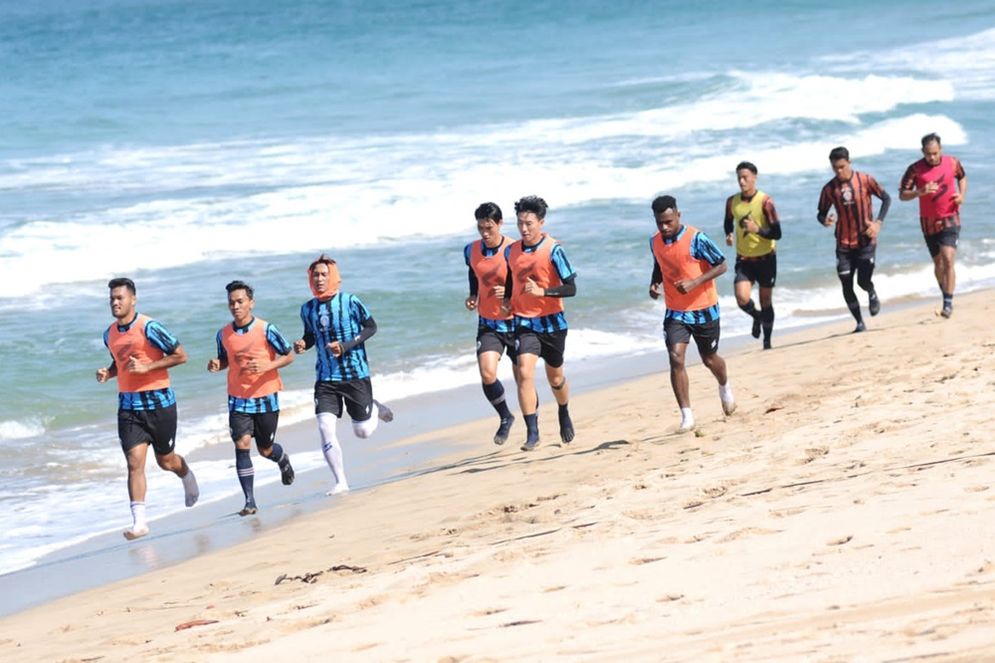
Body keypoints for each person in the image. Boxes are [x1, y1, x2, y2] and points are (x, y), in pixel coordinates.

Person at [96, 277, 199, 540]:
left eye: (120, 298)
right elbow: (119, 362)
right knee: (134, 463)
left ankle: (185, 474)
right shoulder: (109, 334)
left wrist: (147, 367)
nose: (115, 303)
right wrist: (108, 373)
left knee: (166, 461)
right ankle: (139, 523)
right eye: (112, 299)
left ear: (133, 299)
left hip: (160, 405)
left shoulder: (149, 327)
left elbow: (181, 355)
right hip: (129, 408)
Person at [293, 254, 393, 495]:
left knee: (363, 432)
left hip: (355, 374)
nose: (319, 279)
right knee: (325, 426)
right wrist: (302, 345)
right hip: (326, 379)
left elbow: (372, 327)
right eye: (315, 275)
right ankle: (340, 481)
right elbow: (311, 336)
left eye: (324, 274)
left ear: (334, 277)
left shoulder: (350, 301)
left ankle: (374, 407)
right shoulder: (307, 309)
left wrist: (346, 346)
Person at [208, 280, 296, 516]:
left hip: (266, 397)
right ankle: (249, 501)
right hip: (238, 398)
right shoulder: (223, 334)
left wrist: (269, 364)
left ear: (251, 303)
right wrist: (218, 364)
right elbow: (224, 358)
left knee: (265, 449)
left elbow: (289, 355)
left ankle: (282, 459)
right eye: (231, 303)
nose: (235, 306)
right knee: (242, 444)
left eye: (240, 301)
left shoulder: (266, 329)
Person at [649, 196, 735, 433]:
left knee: (709, 358)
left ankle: (724, 385)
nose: (664, 227)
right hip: (676, 311)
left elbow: (722, 264)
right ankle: (687, 416)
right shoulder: (654, 241)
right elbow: (659, 263)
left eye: (668, 221)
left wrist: (695, 282)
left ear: (678, 215)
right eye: (659, 223)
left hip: (704, 309)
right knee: (676, 358)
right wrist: (654, 283)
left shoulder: (696, 238)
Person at [501, 195, 577, 451]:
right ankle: (532, 432)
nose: (524, 229)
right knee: (523, 372)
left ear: (541, 222)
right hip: (524, 323)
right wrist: (509, 300)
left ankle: (563, 411)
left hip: (553, 324)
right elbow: (512, 276)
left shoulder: (554, 249)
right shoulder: (511, 250)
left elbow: (571, 288)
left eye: (529, 223)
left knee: (555, 378)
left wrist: (542, 293)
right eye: (520, 223)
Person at [817, 146, 892, 332]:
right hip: (843, 243)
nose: (839, 171)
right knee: (846, 281)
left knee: (862, 281)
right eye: (835, 168)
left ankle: (871, 291)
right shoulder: (829, 189)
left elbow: (886, 198)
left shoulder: (865, 180)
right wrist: (825, 220)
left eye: (842, 166)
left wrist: (878, 223)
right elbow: (821, 213)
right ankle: (859, 322)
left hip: (865, 240)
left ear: (849, 162)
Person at [464, 202, 519, 445]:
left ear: (500, 224)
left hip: (517, 321)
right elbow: (473, 272)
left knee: (523, 379)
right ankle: (505, 416)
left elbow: (528, 280)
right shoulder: (470, 250)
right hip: (488, 323)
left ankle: (532, 425)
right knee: (487, 373)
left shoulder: (514, 249)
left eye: (489, 228)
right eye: (480, 228)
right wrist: (473, 295)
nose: (484, 234)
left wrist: (509, 293)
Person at [899, 133, 968, 318]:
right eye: (928, 154)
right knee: (938, 263)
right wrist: (919, 192)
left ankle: (948, 303)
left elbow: (962, 177)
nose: (932, 157)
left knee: (948, 259)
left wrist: (961, 196)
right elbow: (902, 194)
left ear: (941, 150)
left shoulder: (952, 162)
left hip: (950, 217)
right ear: (923, 152)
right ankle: (945, 291)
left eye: (935, 153)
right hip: (928, 221)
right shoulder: (915, 169)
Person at [724, 161, 782, 349]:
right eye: (739, 178)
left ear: (754, 178)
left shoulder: (766, 202)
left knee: (766, 300)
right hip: (744, 259)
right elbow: (728, 222)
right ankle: (757, 317)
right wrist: (729, 234)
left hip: (766, 258)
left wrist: (757, 229)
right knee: (741, 298)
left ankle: (767, 341)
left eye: (745, 178)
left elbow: (777, 233)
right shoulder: (732, 201)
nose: (741, 182)